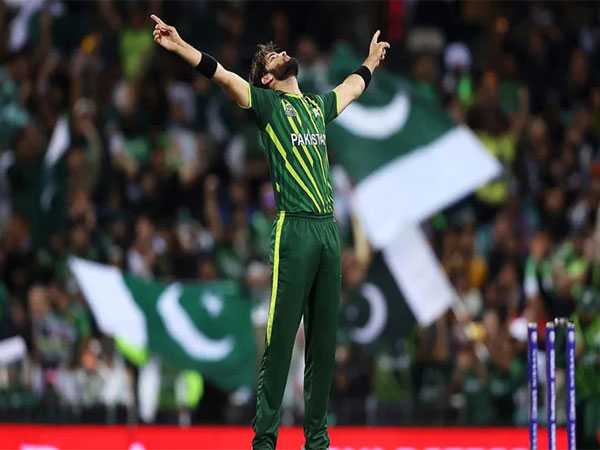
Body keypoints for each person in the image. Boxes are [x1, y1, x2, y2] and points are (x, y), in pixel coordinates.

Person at [150, 14, 389, 450]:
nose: (282, 53)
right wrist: (182, 47)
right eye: (273, 56)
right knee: (280, 340)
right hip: (294, 231)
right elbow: (221, 76)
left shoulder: (316, 107)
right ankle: (265, 441)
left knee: (322, 342)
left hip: (327, 231)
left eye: (280, 50)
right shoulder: (266, 105)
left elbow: (352, 88)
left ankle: (317, 441)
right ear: (266, 77)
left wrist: (370, 61)